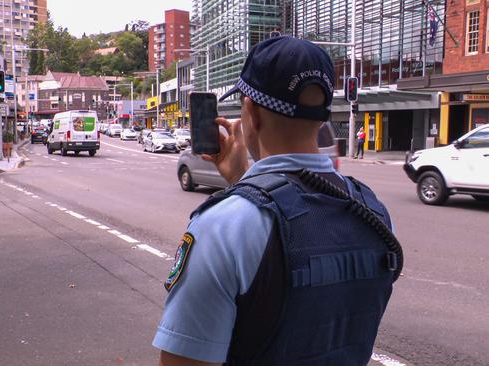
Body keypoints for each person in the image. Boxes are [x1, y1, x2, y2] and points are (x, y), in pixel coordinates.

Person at [153, 36, 402, 366]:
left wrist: (242, 193)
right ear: (321, 115)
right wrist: (243, 182)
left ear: (251, 114)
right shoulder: (373, 212)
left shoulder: (219, 228)